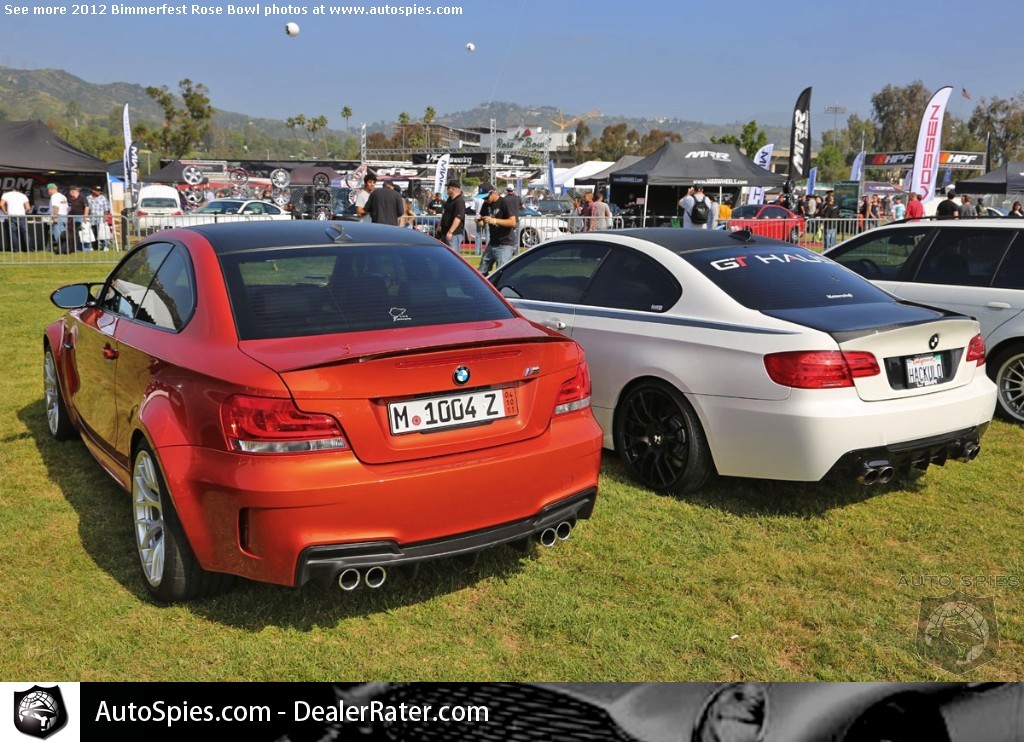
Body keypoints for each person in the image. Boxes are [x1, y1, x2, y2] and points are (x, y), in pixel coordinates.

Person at [477, 184, 517, 273]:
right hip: (492, 242)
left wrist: (494, 221)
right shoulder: (486, 204)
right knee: (481, 271)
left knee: (501, 272)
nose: (485, 200)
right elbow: (483, 221)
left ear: (493, 193)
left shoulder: (504, 202)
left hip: (505, 244)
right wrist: (480, 222)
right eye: (483, 198)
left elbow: (512, 222)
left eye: (486, 197)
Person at [436, 180, 466, 253]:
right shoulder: (449, 199)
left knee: (453, 254)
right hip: (444, 231)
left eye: (448, 188)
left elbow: (458, 218)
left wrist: (450, 232)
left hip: (454, 234)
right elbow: (444, 213)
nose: (447, 190)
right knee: (445, 254)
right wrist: (440, 225)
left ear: (453, 189)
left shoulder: (459, 201)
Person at [1, 186, 31, 252]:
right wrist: (24, 212)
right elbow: (28, 208)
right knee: (25, 232)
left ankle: (16, 249)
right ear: (18, 190)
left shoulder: (6, 195)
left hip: (11, 215)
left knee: (13, 233)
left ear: (11, 190)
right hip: (21, 215)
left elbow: (1, 204)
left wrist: (5, 213)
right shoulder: (23, 195)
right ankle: (29, 248)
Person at [87, 185, 112, 251]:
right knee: (93, 233)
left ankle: (104, 246)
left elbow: (106, 209)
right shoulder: (88, 198)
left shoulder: (103, 198)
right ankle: (94, 246)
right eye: (97, 191)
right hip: (92, 219)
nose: (99, 192)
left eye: (99, 191)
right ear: (93, 191)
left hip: (101, 219)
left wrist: (104, 217)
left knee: (102, 233)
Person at [67, 185, 91, 251]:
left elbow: (86, 207)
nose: (70, 193)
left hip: (81, 217)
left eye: (70, 192)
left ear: (73, 191)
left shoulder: (82, 197)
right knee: (77, 233)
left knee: (84, 232)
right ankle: (79, 247)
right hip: (74, 217)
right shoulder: (72, 198)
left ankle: (87, 247)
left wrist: (85, 216)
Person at [47, 183, 69, 252]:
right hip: (64, 216)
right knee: (64, 234)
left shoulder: (54, 196)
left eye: (48, 190)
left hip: (58, 216)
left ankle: (61, 249)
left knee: (58, 234)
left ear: (51, 189)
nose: (48, 191)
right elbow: (67, 208)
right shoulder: (63, 196)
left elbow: (56, 207)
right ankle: (65, 248)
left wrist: (55, 217)